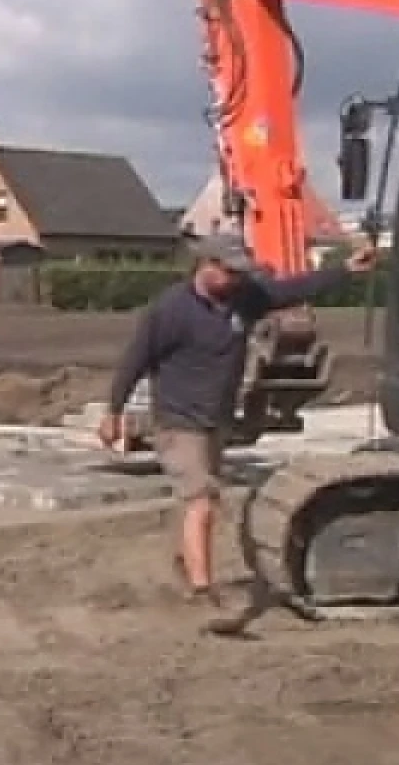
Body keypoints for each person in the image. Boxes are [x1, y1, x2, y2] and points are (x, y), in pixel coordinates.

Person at [99, 232, 378, 617]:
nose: (237, 280)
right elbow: (135, 360)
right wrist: (114, 411)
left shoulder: (243, 299)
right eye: (230, 272)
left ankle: (187, 564)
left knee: (204, 500)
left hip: (216, 418)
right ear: (206, 266)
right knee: (202, 500)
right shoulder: (171, 311)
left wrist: (345, 271)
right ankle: (202, 593)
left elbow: (291, 289)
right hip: (178, 420)